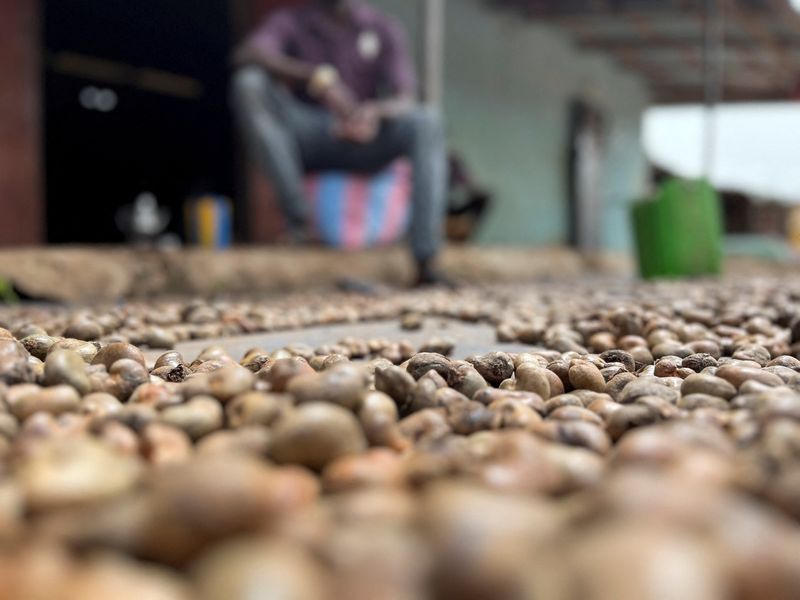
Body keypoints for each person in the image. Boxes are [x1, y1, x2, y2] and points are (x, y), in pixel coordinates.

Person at [231, 0, 449, 286]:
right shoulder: (293, 21)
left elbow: (404, 96)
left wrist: (374, 113)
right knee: (249, 83)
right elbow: (248, 52)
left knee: (427, 121)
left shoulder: (382, 28)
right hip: (311, 133)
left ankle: (425, 260)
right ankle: (299, 223)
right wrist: (316, 77)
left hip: (367, 137)